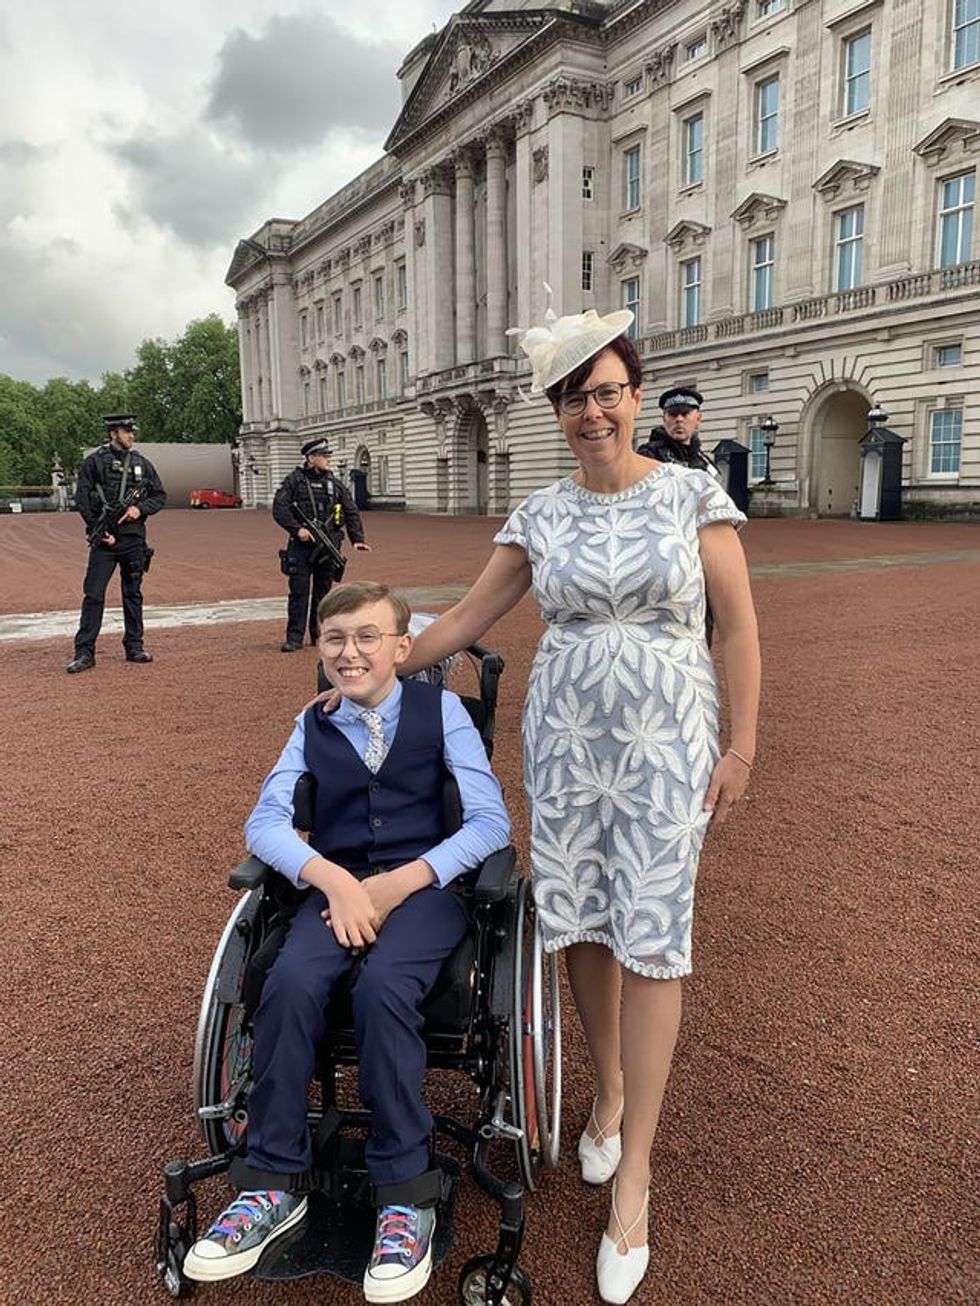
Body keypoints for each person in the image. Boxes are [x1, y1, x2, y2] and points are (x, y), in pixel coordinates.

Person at [400, 303, 760, 1304]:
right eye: (574, 398)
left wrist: (741, 744)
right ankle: (604, 1093)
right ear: (557, 411)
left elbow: (736, 628)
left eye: (607, 393)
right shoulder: (540, 513)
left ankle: (633, 1172)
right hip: (565, 745)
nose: (592, 413)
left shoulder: (693, 495)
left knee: (652, 937)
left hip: (666, 745)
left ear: (634, 397)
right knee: (581, 927)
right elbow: (468, 615)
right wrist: (377, 658)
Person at [183, 581, 511, 1303]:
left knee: (385, 988)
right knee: (289, 982)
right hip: (335, 888)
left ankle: (406, 1193)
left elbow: (491, 823)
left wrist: (397, 885)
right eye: (335, 639)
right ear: (320, 648)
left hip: (425, 891)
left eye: (367, 637)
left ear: (402, 647)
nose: (350, 652)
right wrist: (331, 879)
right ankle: (271, 1183)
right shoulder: (311, 723)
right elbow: (265, 825)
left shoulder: (444, 713)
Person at [66, 415, 166, 674]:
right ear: (113, 433)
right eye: (126, 431)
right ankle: (84, 652)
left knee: (133, 593)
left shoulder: (142, 463)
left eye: (132, 431)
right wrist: (97, 531)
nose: (131, 435)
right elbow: (82, 499)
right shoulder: (94, 462)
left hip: (133, 539)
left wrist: (139, 509)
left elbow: (159, 496)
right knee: (94, 594)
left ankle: (134, 647)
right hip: (105, 541)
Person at [272, 438, 371, 653]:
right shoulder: (294, 481)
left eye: (328, 456)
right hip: (301, 547)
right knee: (299, 593)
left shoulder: (335, 484)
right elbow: (279, 509)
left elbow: (351, 511)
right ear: (310, 458)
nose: (328, 459)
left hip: (328, 547)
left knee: (323, 595)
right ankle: (294, 637)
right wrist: (297, 530)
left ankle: (318, 634)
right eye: (324, 456)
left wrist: (357, 539)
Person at [636, 387, 719, 477]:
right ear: (664, 420)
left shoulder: (704, 461)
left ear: (698, 419)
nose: (679, 419)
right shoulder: (648, 455)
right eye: (673, 414)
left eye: (685, 414)